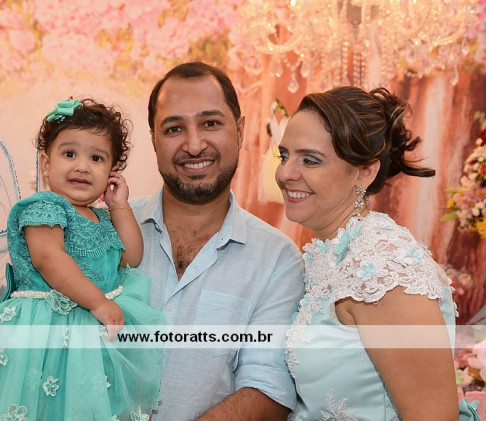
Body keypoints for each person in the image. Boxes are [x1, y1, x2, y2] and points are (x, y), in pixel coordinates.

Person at [0, 98, 164, 420]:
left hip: (90, 341)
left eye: (97, 158)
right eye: (69, 154)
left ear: (111, 172)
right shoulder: (45, 207)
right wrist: (98, 302)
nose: (82, 166)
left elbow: (131, 257)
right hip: (47, 332)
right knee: (41, 406)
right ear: (47, 163)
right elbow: (49, 258)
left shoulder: (103, 218)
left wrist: (119, 205)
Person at [276, 86, 479, 420]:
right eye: (284, 156)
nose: (285, 173)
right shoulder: (333, 253)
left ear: (364, 171)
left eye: (310, 160)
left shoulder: (383, 266)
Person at [130, 61, 305, 420]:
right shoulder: (104, 232)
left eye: (210, 123)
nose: (194, 145)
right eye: (174, 128)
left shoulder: (277, 259)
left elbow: (268, 389)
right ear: (154, 140)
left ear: (239, 130)